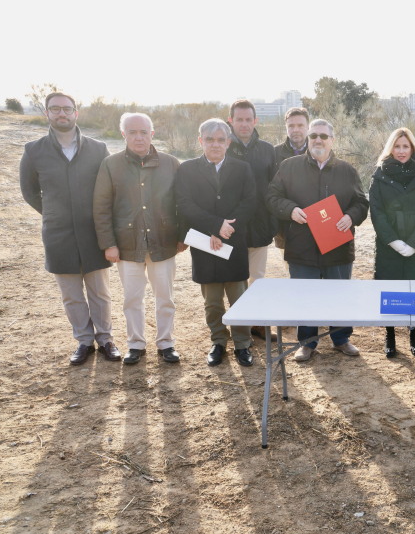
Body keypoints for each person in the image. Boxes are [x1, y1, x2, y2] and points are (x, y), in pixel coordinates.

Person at [19, 91, 119, 365]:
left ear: (76, 112)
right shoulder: (33, 150)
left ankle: (106, 339)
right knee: (72, 294)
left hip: (93, 232)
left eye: (66, 109)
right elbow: (29, 192)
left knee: (99, 291)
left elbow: (110, 189)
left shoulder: (98, 149)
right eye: (55, 109)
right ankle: (84, 341)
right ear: (47, 113)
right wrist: (53, 213)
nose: (61, 114)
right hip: (57, 234)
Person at [266, 118, 369, 362]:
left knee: (339, 294)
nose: (318, 140)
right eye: (313, 136)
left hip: (338, 246)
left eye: (323, 136)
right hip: (302, 246)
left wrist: (350, 217)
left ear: (332, 141)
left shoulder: (347, 170)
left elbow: (361, 203)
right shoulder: (289, 166)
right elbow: (271, 197)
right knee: (305, 295)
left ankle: (341, 339)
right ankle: (307, 343)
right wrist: (290, 209)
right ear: (308, 140)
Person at [93, 113, 187, 365]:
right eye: (132, 132)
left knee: (165, 297)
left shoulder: (170, 163)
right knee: (132, 298)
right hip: (126, 244)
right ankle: (135, 344)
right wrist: (109, 243)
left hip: (164, 242)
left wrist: (182, 237)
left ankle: (166, 343)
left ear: (152, 134)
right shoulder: (110, 165)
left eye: (144, 132)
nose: (138, 137)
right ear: (123, 134)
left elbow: (182, 204)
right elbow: (101, 207)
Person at [176, 118, 257, 367]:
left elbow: (250, 202)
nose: (215, 144)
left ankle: (242, 344)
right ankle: (218, 341)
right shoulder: (187, 169)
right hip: (204, 244)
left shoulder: (242, 168)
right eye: (209, 139)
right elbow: (185, 203)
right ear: (200, 141)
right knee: (212, 301)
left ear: (228, 142)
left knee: (239, 298)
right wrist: (213, 226)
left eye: (221, 140)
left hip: (233, 242)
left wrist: (225, 229)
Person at [369, 128, 415, 357]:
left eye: (405, 146)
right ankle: (389, 334)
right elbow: (376, 211)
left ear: (412, 148)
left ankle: (414, 332)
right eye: (396, 146)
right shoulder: (379, 174)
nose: (401, 151)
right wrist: (393, 241)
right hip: (389, 244)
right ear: (390, 148)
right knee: (390, 289)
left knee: (414, 290)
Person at [226, 99, 279, 342]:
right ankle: (239, 327)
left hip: (259, 225)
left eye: (249, 120)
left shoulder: (268, 150)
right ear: (231, 121)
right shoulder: (222, 146)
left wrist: (272, 221)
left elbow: (275, 188)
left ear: (255, 121)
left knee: (257, 278)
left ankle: (256, 324)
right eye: (239, 119)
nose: (244, 124)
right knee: (234, 279)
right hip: (230, 226)